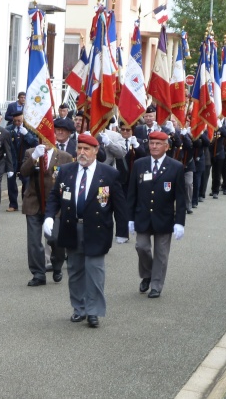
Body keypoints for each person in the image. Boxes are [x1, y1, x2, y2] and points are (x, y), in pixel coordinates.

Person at [43, 134, 126, 328]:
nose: (81, 152)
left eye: (86, 149)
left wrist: (123, 229)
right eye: (79, 148)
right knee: (75, 271)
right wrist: (48, 216)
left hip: (97, 229)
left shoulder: (108, 174)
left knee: (95, 271)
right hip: (72, 226)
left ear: (96, 151)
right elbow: (55, 195)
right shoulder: (66, 171)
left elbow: (119, 204)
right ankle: (79, 309)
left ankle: (93, 311)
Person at [127, 131, 186, 298]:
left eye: (158, 144)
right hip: (142, 216)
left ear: (166, 147)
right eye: (152, 143)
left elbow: (181, 197)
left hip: (164, 217)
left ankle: (156, 285)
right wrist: (129, 218)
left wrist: (180, 221)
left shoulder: (176, 167)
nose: (154, 146)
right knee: (142, 246)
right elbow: (132, 193)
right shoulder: (140, 164)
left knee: (161, 253)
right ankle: (147, 274)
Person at [20, 142, 74, 286]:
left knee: (54, 238)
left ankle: (57, 265)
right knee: (34, 241)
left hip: (55, 204)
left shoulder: (65, 157)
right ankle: (38, 273)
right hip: (33, 202)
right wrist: (34, 157)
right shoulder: (31, 152)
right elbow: (23, 172)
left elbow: (70, 181)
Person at [6, 110, 38, 212]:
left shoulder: (29, 129)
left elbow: (35, 143)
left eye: (19, 121)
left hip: (25, 160)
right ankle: (13, 204)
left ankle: (25, 202)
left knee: (26, 182)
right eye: (15, 121)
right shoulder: (8, 129)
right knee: (11, 183)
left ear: (23, 118)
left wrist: (27, 134)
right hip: (13, 160)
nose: (17, 123)